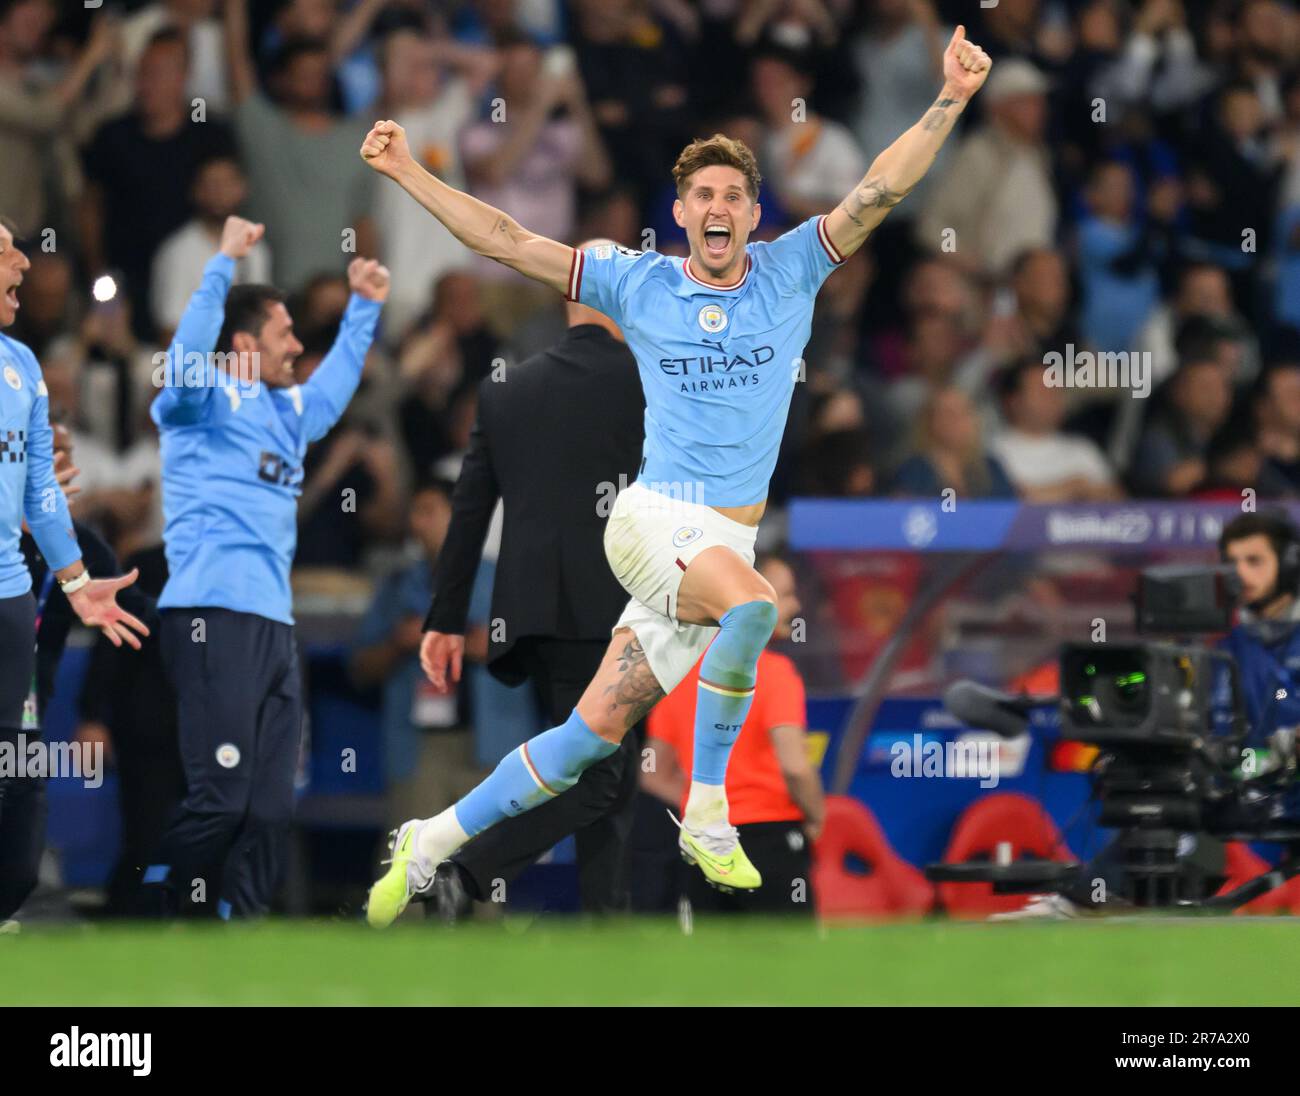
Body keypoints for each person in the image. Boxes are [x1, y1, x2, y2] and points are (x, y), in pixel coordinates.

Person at [359, 25, 992, 928]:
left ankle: (430, 839)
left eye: (735, 191)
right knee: (755, 608)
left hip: (716, 542)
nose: (720, 204)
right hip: (656, 520)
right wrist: (409, 174)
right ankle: (706, 806)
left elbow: (882, 185)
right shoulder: (637, 280)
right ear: (683, 212)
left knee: (586, 741)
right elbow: (507, 239)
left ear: (753, 210)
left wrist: (952, 98)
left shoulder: (793, 268)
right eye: (703, 193)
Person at [140, 215, 388, 919]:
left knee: (273, 807)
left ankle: (238, 938)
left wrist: (365, 305)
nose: (298, 346)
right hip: (210, 613)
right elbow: (187, 358)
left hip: (275, 626)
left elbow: (335, 391)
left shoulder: (286, 411)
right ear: (245, 344)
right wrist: (221, 264)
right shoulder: (205, 398)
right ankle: (150, 913)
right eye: (285, 335)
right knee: (219, 800)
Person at [418, 271, 647, 919]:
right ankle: (462, 868)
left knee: (614, 778)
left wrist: (444, 618)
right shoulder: (656, 380)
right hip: (625, 611)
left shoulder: (508, 386)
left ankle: (610, 939)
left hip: (536, 615)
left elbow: (469, 512)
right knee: (600, 775)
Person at [0, 221, 148, 925]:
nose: (21, 264)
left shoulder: (23, 366)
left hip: (14, 654)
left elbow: (48, 503)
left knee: (19, 831)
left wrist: (77, 580)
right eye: (4, 251)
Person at [641, 553, 824, 916]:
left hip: (703, 843)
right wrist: (817, 815)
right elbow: (796, 767)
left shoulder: (683, 672)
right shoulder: (775, 671)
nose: (795, 605)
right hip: (770, 840)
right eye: (782, 595)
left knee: (712, 969)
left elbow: (651, 772)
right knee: (790, 969)